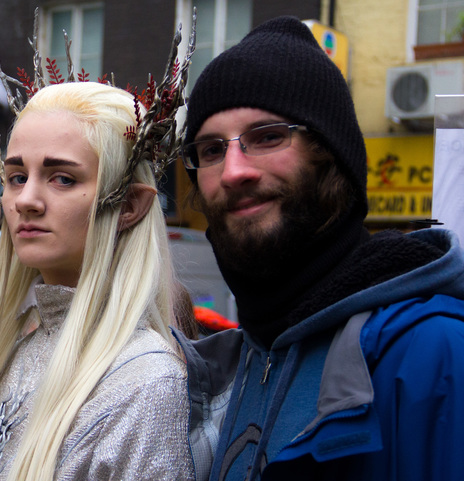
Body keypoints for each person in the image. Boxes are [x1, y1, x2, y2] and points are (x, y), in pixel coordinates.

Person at [180, 16, 464, 481]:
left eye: (267, 136)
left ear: (331, 155)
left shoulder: (433, 351)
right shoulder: (227, 370)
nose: (233, 171)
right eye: (211, 149)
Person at [0, 14, 204, 480]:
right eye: (17, 177)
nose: (26, 200)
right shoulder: (8, 349)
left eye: (62, 178)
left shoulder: (143, 380)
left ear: (130, 206)